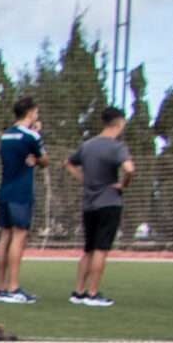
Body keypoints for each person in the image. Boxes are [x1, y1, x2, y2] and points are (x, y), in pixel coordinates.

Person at [65, 108, 133, 307]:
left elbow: (68, 163)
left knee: (88, 249)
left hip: (90, 204)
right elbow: (129, 169)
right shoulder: (117, 146)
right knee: (101, 250)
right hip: (109, 202)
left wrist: (85, 180)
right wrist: (123, 185)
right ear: (120, 123)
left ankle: (79, 291)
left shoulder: (87, 145)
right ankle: (93, 293)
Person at [0, 98, 44, 304]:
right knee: (19, 237)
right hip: (21, 192)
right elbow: (44, 161)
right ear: (30, 112)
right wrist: (36, 151)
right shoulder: (31, 136)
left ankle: (1, 286)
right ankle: (13, 287)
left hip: (5, 189)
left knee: (5, 236)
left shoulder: (5, 135)